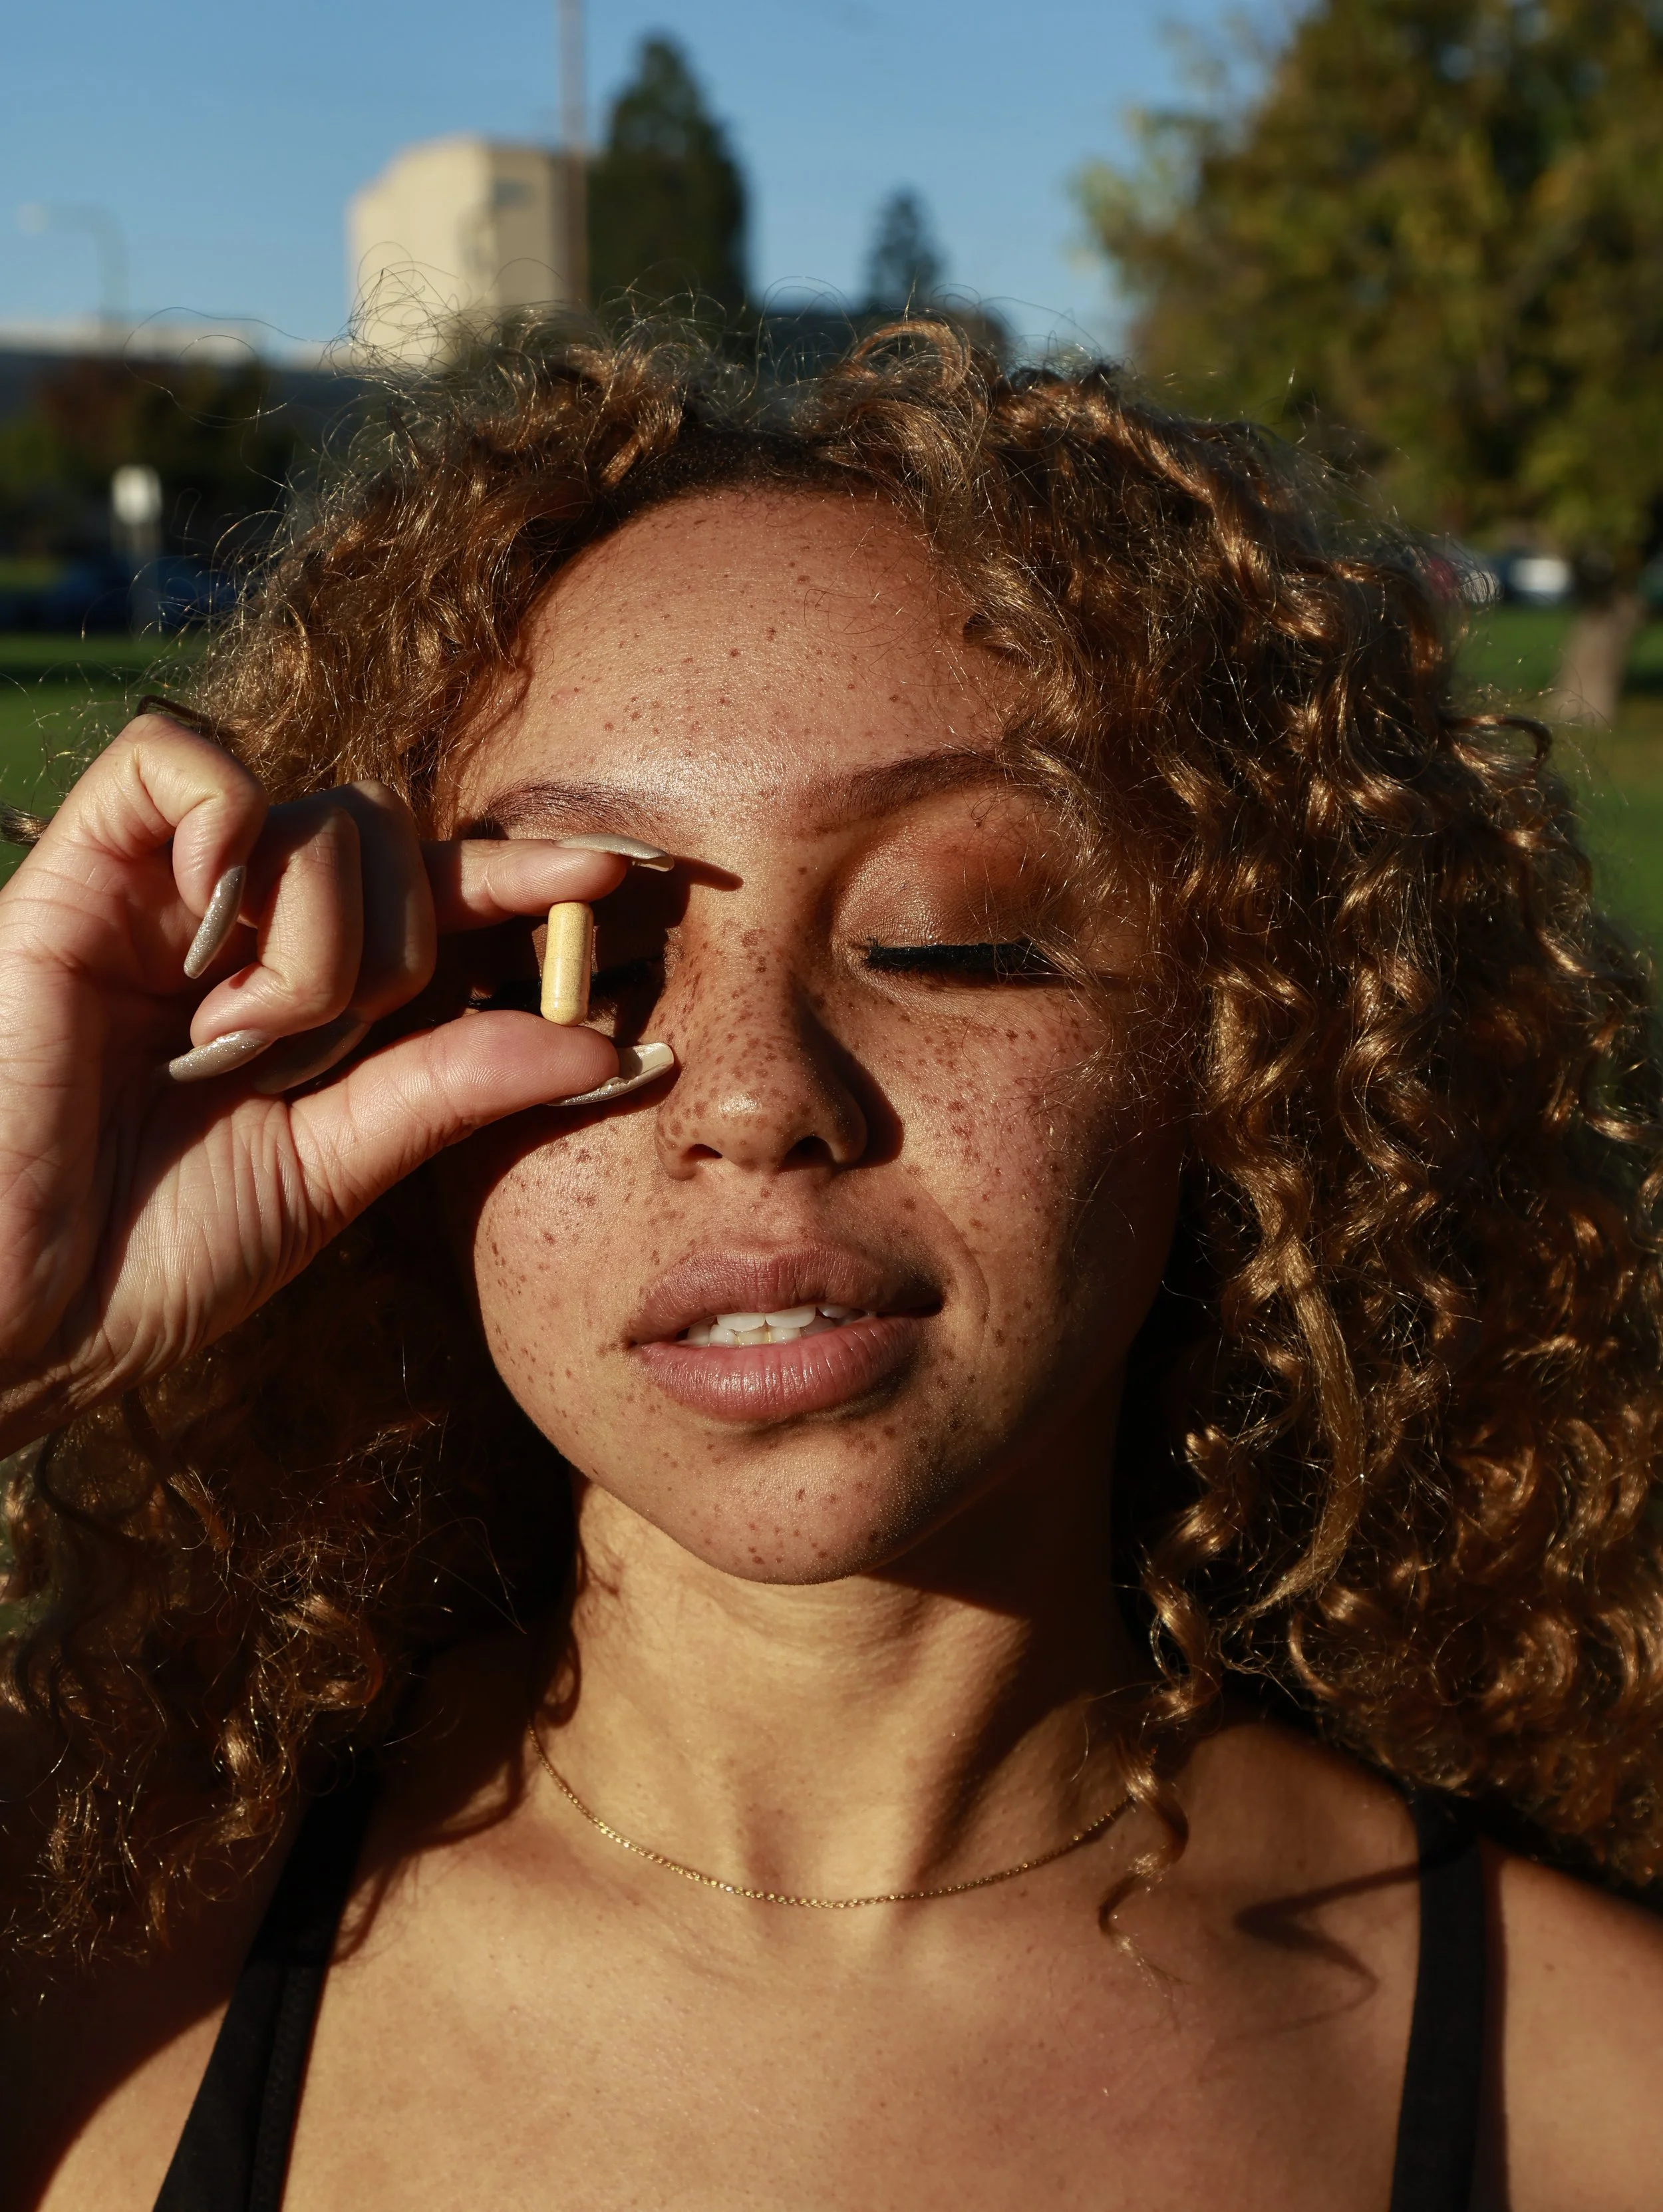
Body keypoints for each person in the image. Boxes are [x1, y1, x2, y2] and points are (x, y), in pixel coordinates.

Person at [1, 322, 1660, 2212]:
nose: (755, 1100)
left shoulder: (1597, 2098)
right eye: (583, 963)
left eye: (955, 938)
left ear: (1244, 1047)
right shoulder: (71, 1979)